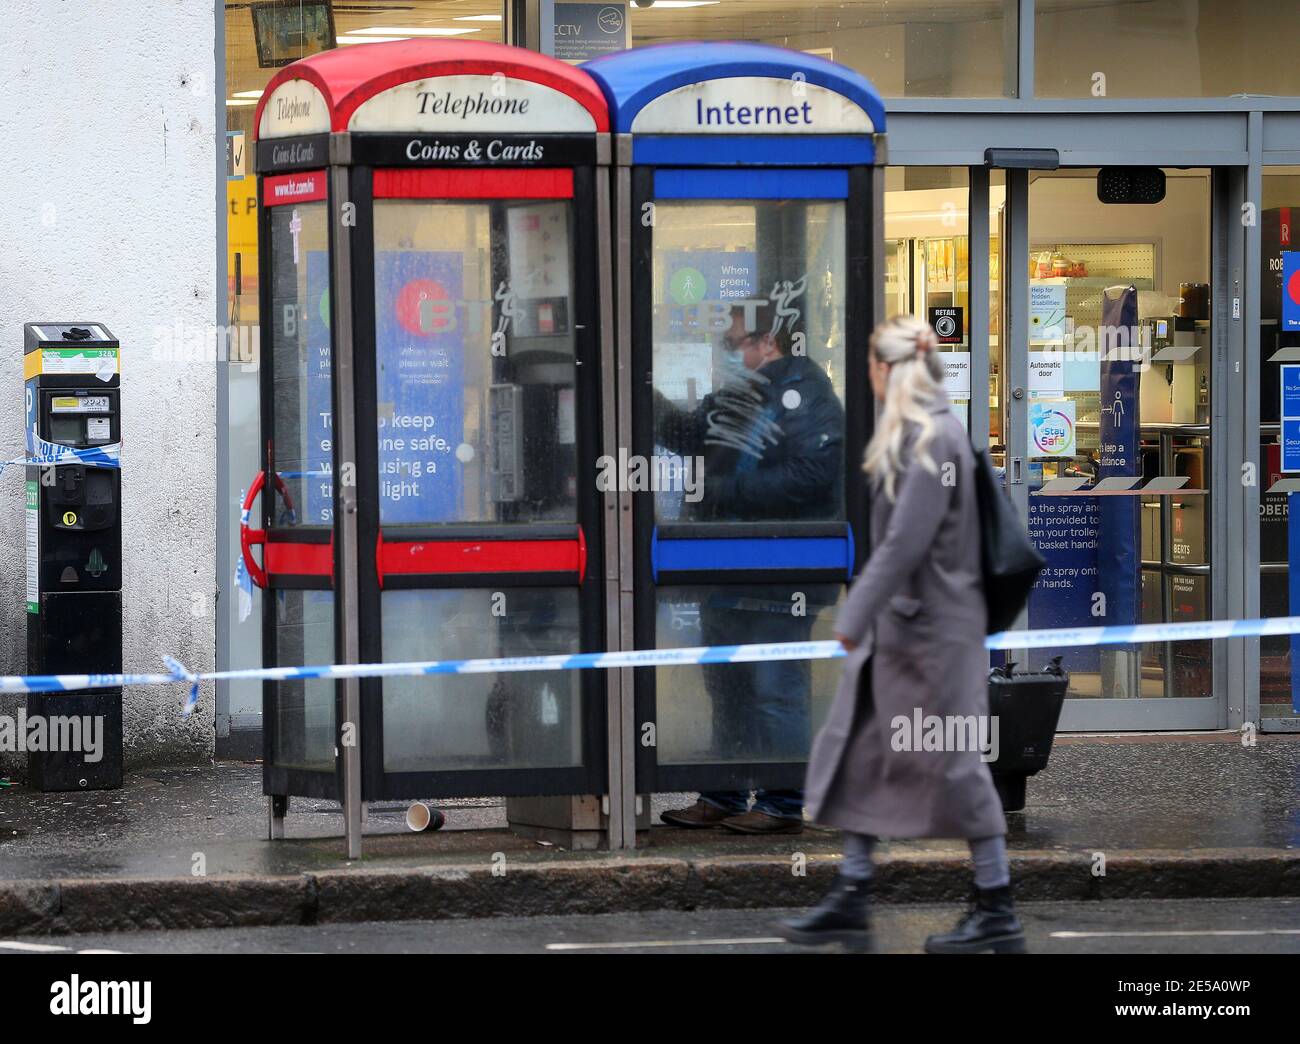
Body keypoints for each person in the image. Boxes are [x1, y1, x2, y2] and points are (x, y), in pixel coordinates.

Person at [776, 315, 1024, 953]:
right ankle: (853, 893)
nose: (867, 376)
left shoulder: (931, 439)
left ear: (887, 369)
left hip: (937, 639)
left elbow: (901, 546)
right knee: (863, 753)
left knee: (959, 764)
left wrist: (850, 621)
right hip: (910, 633)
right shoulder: (920, 433)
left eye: (870, 364)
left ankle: (995, 904)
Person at [656, 304, 844, 835]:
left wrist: (724, 492)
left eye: (734, 343)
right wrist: (637, 383)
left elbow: (814, 472)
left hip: (780, 569)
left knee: (774, 686)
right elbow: (688, 435)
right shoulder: (740, 393)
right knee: (728, 685)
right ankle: (724, 791)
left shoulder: (806, 393)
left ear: (769, 341)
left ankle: (783, 801)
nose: (728, 353)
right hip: (725, 566)